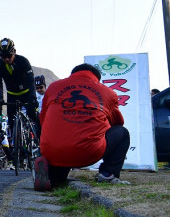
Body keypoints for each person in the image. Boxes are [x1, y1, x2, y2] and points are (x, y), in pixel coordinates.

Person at [34, 63, 131, 191]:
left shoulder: (53, 87)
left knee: (57, 177)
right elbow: (118, 122)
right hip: (88, 152)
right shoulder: (108, 93)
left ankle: (50, 175)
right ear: (97, 78)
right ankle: (108, 174)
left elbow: (43, 120)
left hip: (54, 151)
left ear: (72, 74)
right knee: (122, 133)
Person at [0, 37, 40, 139]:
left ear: (14, 52)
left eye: (9, 56)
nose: (6, 59)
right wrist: (0, 98)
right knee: (11, 121)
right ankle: (16, 146)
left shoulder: (23, 61)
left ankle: (41, 138)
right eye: (2, 56)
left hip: (27, 93)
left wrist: (33, 98)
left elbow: (31, 82)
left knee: (33, 115)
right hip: (12, 95)